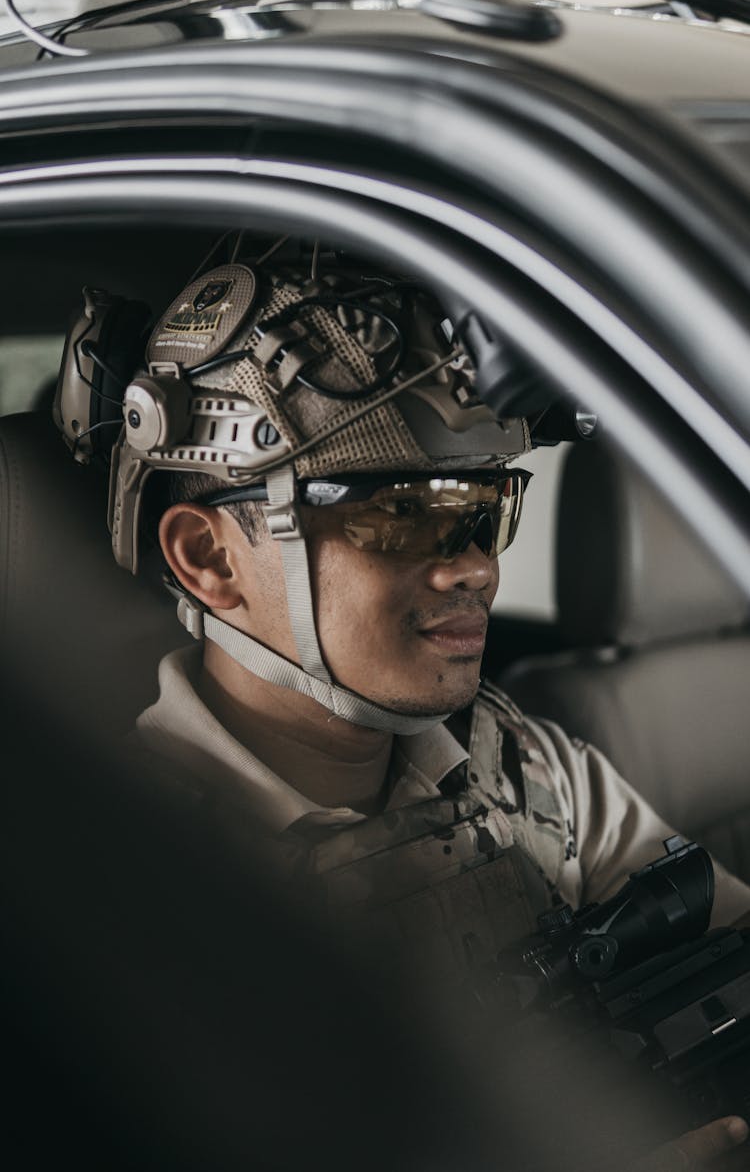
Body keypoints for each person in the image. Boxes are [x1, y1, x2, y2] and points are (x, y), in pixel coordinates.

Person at [58, 247, 750, 1168]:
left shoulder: (526, 769)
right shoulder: (108, 890)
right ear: (211, 560)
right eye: (400, 514)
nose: (475, 566)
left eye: (481, 508)